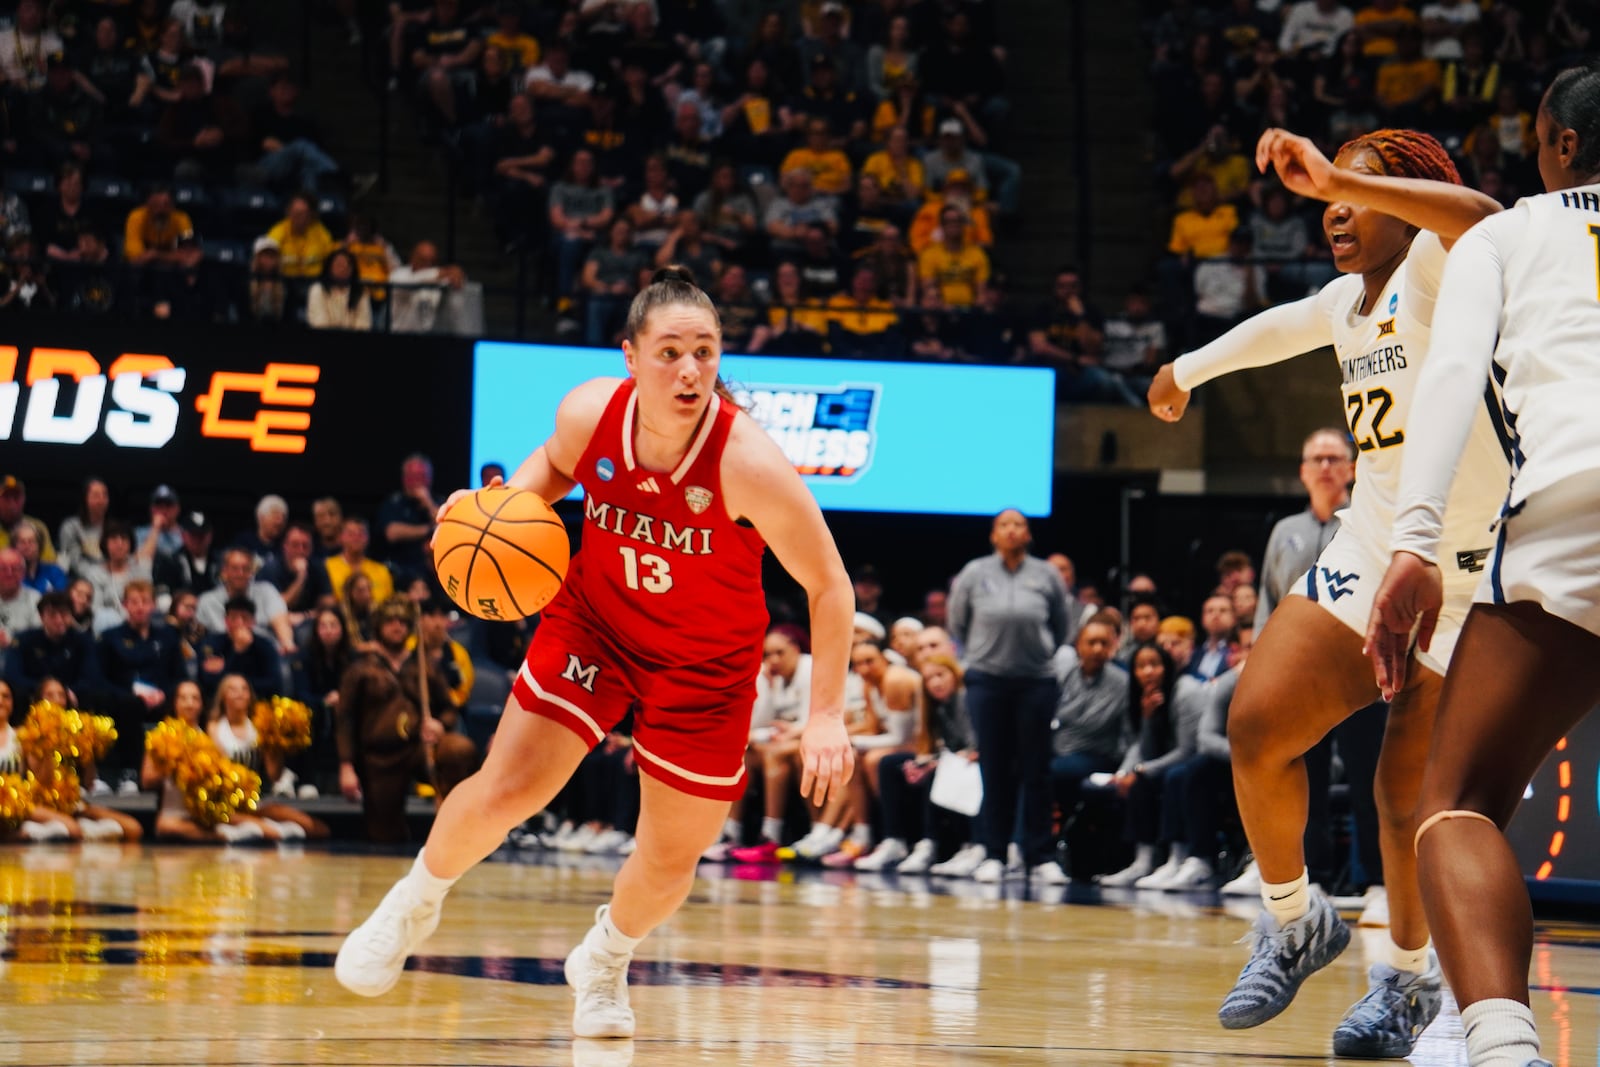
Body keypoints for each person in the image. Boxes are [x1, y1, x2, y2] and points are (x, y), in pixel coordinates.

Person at [335, 267, 855, 1041]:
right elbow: (546, 472)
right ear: (631, 356)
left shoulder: (748, 462)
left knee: (667, 860)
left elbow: (831, 585)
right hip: (597, 626)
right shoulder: (588, 414)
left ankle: (605, 959)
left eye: (705, 353)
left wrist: (827, 714)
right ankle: (413, 901)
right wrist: (495, 512)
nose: (689, 370)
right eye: (671, 351)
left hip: (704, 667)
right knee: (507, 789)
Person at [1147, 125, 1505, 1055]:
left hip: (1465, 565)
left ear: (1410, 199)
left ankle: (1410, 982)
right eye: (1333, 195)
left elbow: (1482, 216)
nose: (1337, 207)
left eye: (1362, 190)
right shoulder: (1351, 302)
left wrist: (1334, 169)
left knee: (1403, 799)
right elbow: (1279, 329)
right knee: (1258, 726)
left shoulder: (1443, 265)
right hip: (1373, 539)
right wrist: (1186, 371)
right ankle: (1295, 917)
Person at [1364, 66, 1600, 1067]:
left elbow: (1454, 373)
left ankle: (1498, 1043)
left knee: (1452, 804)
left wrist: (1411, 544)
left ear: (1557, 144)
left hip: (1574, 510)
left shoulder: (1509, 231)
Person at [948, 509, 1071, 884]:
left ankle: (1040, 856)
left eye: (1019, 524)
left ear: (1028, 534)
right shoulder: (975, 573)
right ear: (993, 535)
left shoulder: (1046, 574)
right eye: (1005, 525)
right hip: (988, 680)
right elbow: (958, 622)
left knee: (1036, 769)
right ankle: (994, 853)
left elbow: (1061, 623)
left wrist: (1040, 653)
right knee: (994, 768)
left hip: (1036, 681)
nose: (1012, 530)